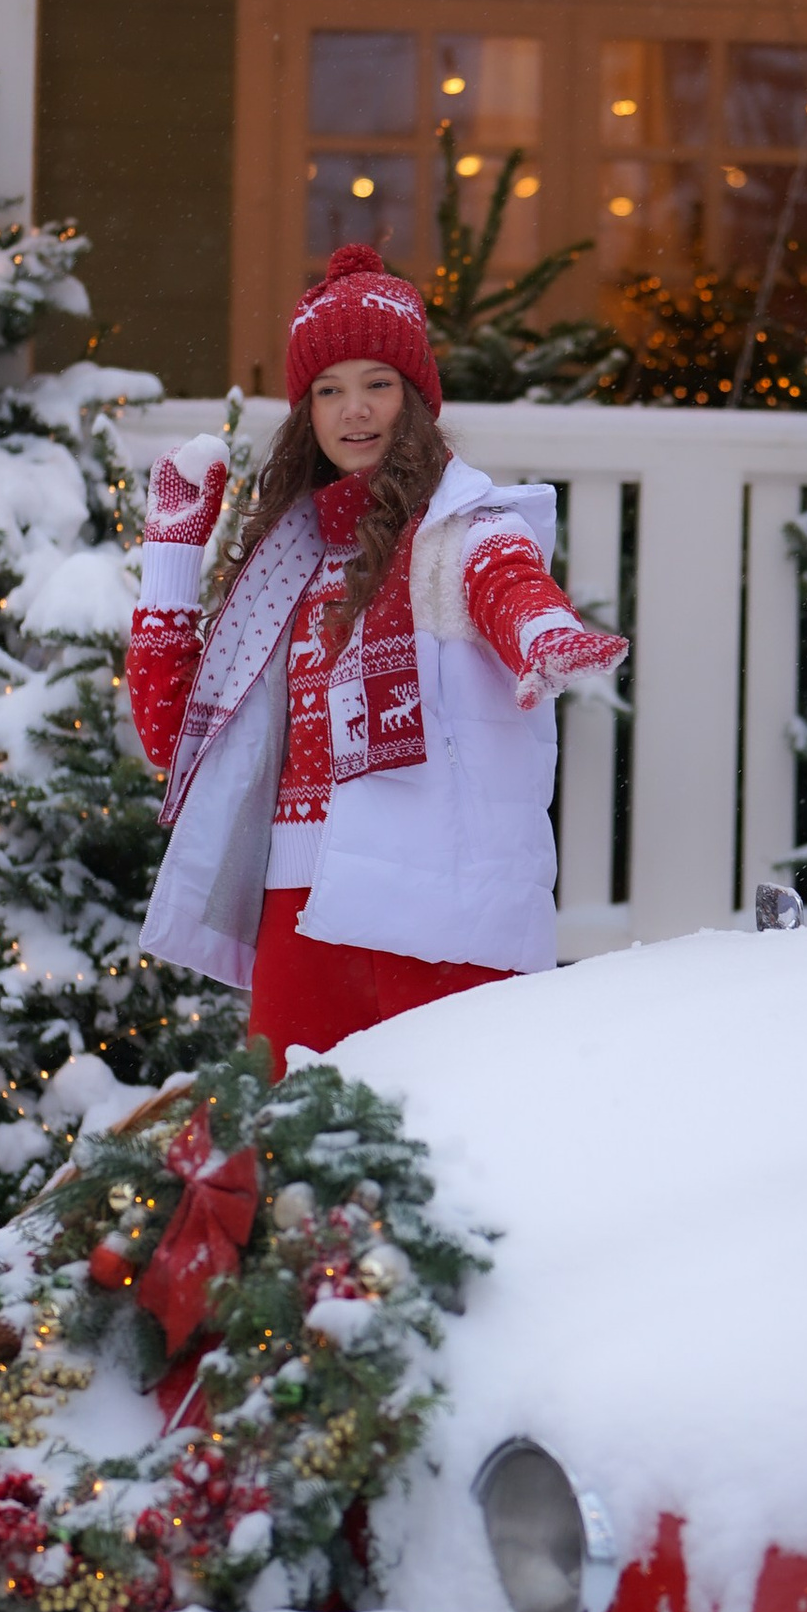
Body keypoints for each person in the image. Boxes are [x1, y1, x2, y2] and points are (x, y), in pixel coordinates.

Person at [129, 244, 626, 1067]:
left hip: (429, 908)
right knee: (297, 1164)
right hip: (298, 906)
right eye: (328, 390)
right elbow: (175, 737)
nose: (354, 411)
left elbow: (504, 579)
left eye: (377, 385)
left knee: (448, 1143)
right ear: (306, 412)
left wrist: (545, 635)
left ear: (417, 398)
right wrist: (171, 557)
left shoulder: (460, 530)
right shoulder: (284, 567)